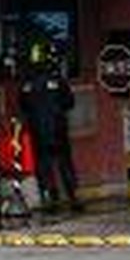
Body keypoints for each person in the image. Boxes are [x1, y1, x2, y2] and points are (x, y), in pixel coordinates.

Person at [18, 51, 80, 215]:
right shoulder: (58, 80)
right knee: (64, 162)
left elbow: (23, 106)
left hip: (38, 131)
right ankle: (73, 196)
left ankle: (52, 197)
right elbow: (70, 102)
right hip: (58, 129)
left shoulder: (28, 84)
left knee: (44, 165)